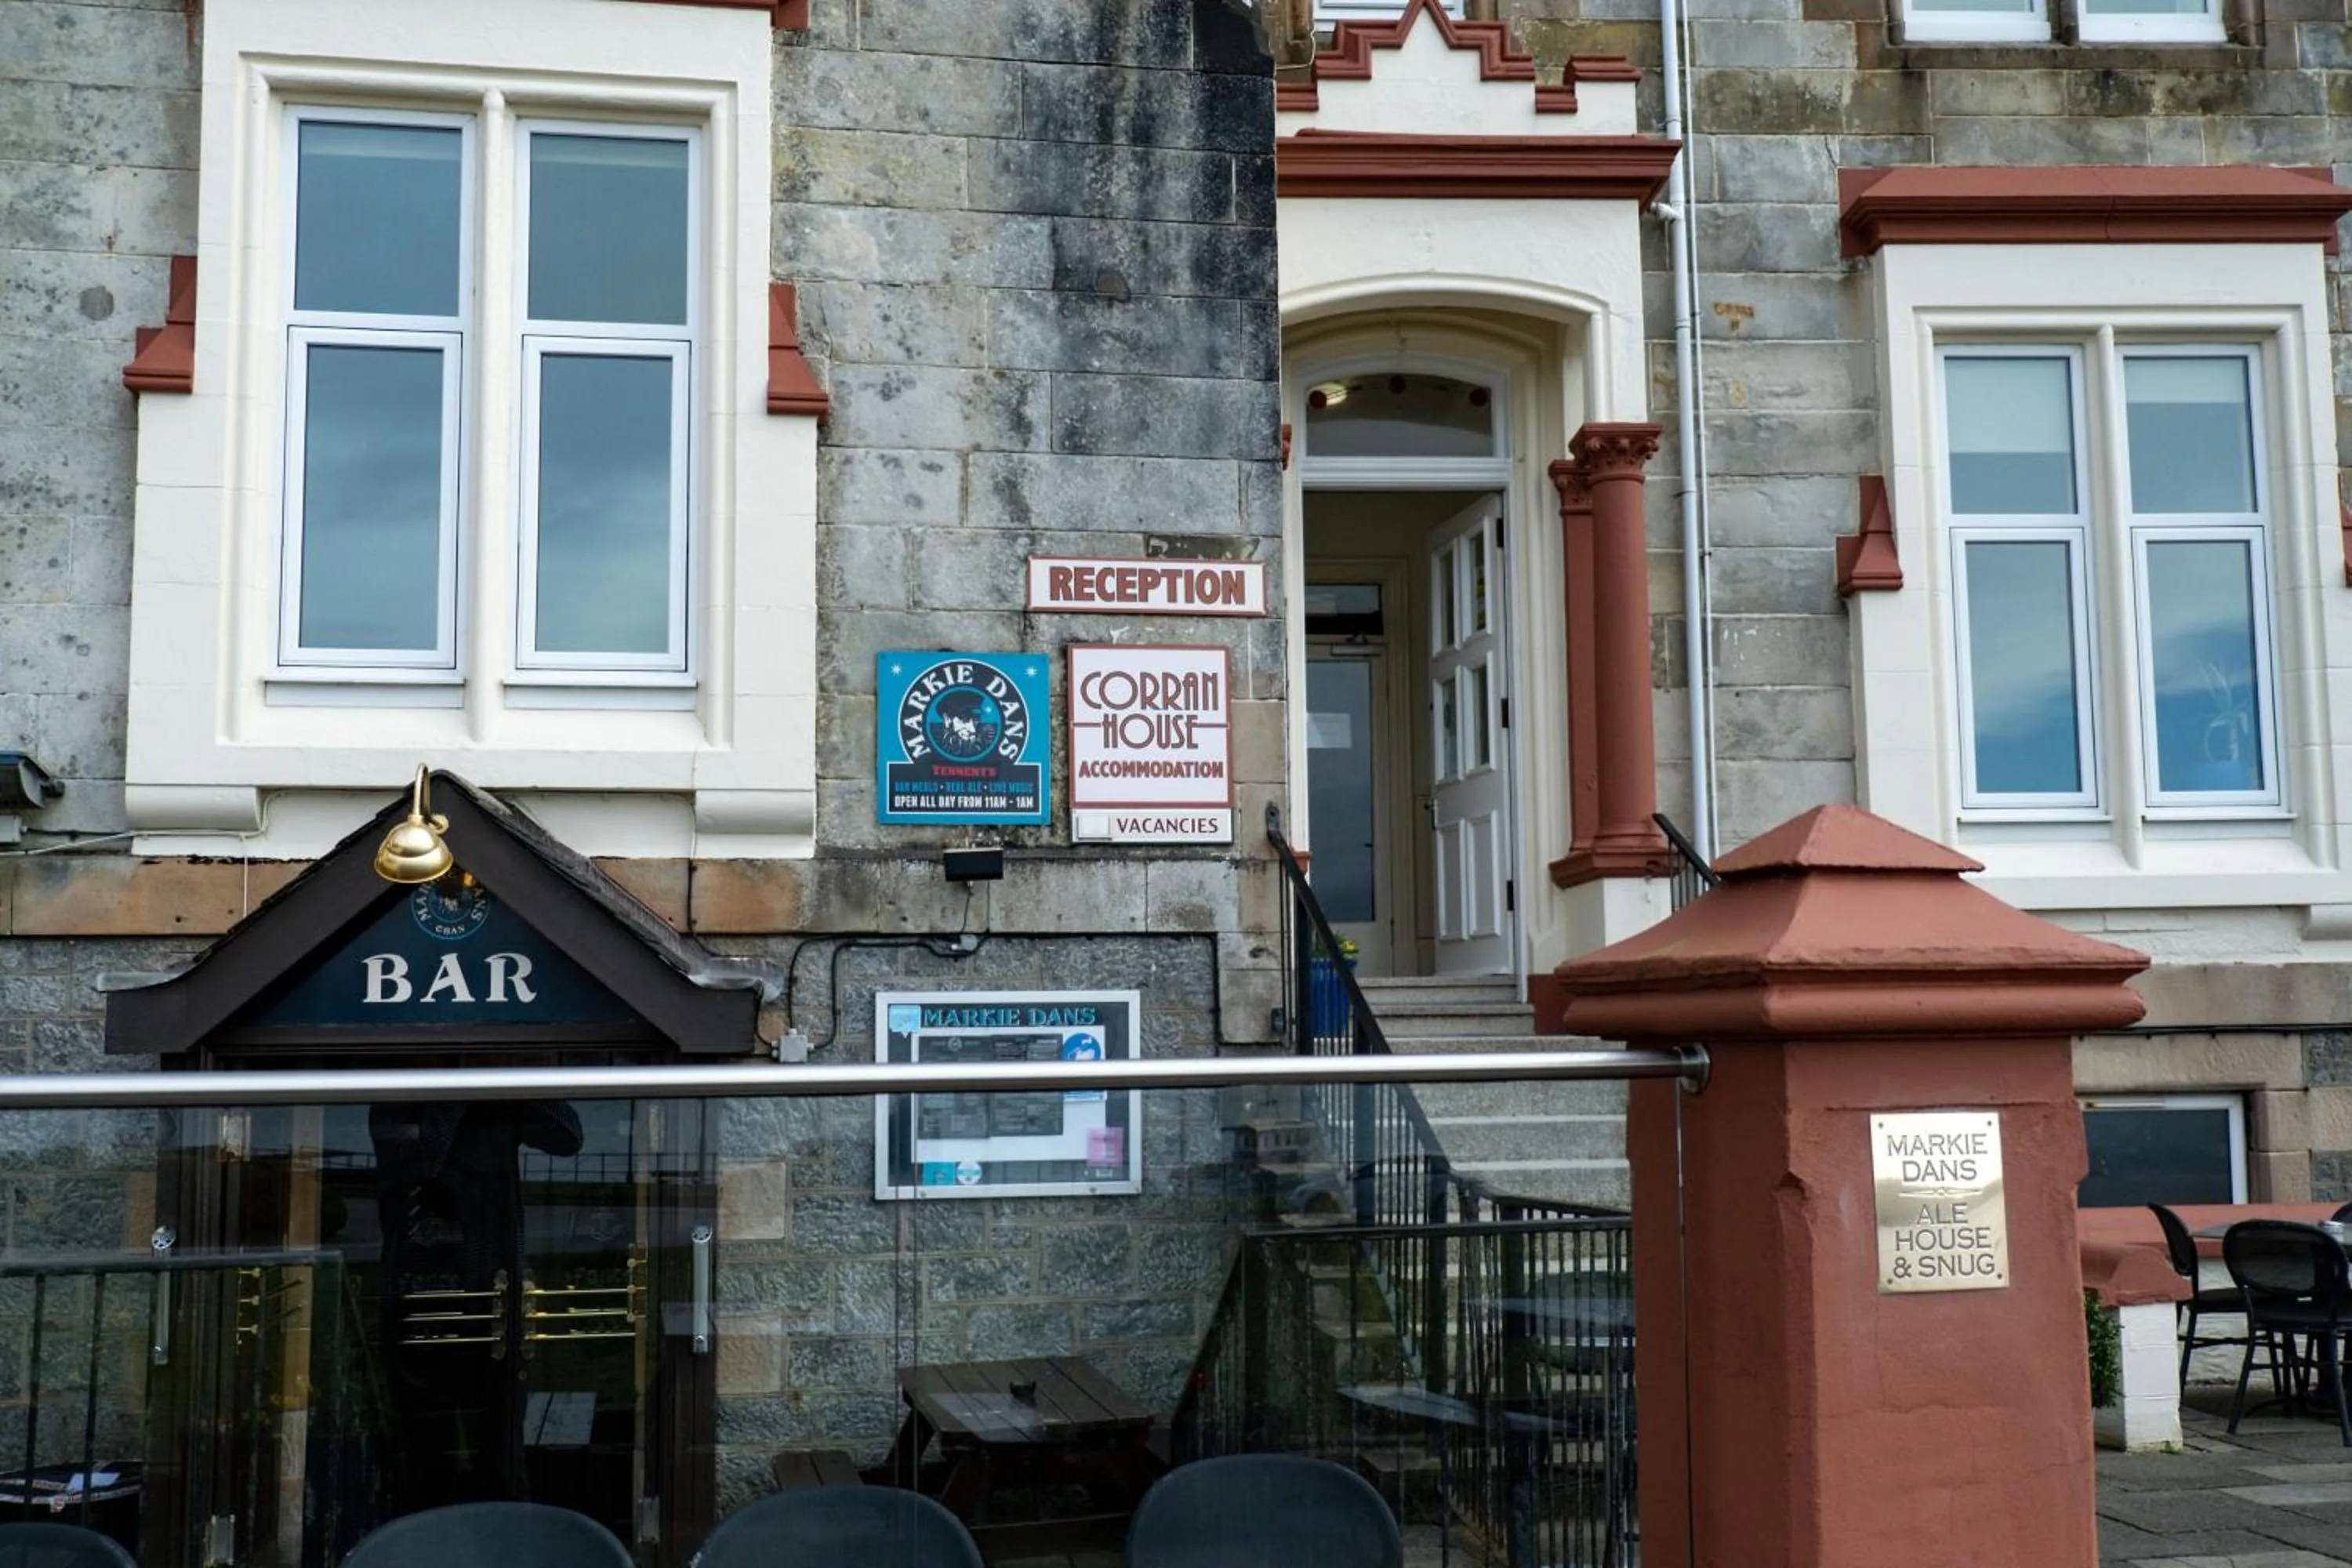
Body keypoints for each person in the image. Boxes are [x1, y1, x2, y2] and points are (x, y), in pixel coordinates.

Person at [370, 1100, 583, 1514]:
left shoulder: (497, 1098)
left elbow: (569, 1137)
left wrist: (513, 1081)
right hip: (422, 1301)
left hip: (497, 1300)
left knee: (501, 1454)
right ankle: (423, 1538)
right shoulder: (400, 1096)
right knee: (427, 1456)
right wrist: (459, 1091)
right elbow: (419, 1167)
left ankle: (504, 1535)